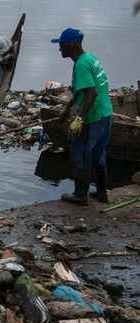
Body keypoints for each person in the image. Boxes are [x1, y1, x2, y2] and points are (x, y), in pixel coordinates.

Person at [52, 27, 113, 205]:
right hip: (105, 114)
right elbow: (83, 89)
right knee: (99, 154)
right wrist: (68, 107)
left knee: (80, 155)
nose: (60, 48)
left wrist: (79, 119)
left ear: (72, 46)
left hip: (93, 118)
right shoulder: (89, 58)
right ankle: (101, 194)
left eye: (62, 45)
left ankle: (80, 196)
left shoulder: (81, 65)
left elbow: (91, 93)